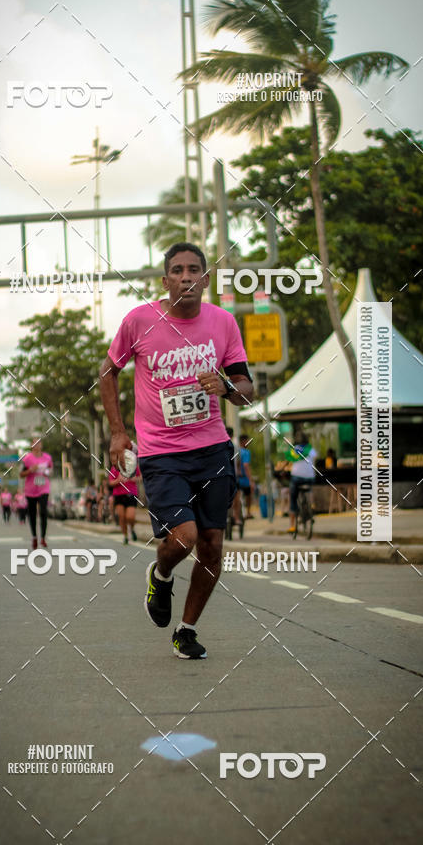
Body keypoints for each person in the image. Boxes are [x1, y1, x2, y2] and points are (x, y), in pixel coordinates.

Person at [99, 241, 253, 659]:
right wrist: (117, 433)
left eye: (194, 270)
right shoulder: (139, 321)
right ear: (165, 280)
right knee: (183, 538)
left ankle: (186, 630)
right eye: (178, 270)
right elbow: (108, 372)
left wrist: (227, 387)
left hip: (213, 448)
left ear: (205, 279)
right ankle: (162, 572)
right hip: (161, 453)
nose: (186, 277)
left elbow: (246, 388)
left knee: (212, 544)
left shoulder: (223, 323)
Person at [19, 435, 53, 548]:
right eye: (35, 443)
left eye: (39, 443)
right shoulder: (27, 459)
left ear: (41, 445)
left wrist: (48, 472)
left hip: (44, 488)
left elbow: (51, 470)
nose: (37, 445)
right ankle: (34, 536)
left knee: (43, 511)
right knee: (32, 514)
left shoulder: (47, 458)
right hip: (31, 490)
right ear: (31, 446)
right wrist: (30, 470)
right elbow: (21, 474)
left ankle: (43, 538)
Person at [286, 430, 317, 534]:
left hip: (297, 477)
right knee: (310, 489)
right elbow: (314, 462)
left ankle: (292, 526)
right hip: (310, 477)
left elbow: (289, 462)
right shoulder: (311, 449)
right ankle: (311, 505)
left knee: (292, 498)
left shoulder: (294, 450)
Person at [108, 460, 141, 544]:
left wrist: (134, 479)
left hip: (131, 494)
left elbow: (140, 477)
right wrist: (118, 480)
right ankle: (125, 536)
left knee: (130, 517)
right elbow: (110, 482)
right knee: (121, 517)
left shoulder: (133, 465)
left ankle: (132, 529)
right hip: (118, 495)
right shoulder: (115, 468)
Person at [237, 434, 255, 518]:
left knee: (237, 496)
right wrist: (250, 480)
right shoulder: (246, 452)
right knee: (249, 494)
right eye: (248, 441)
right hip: (244, 478)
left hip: (236, 477)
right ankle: (248, 513)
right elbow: (246, 465)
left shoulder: (236, 451)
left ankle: (237, 514)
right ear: (243, 441)